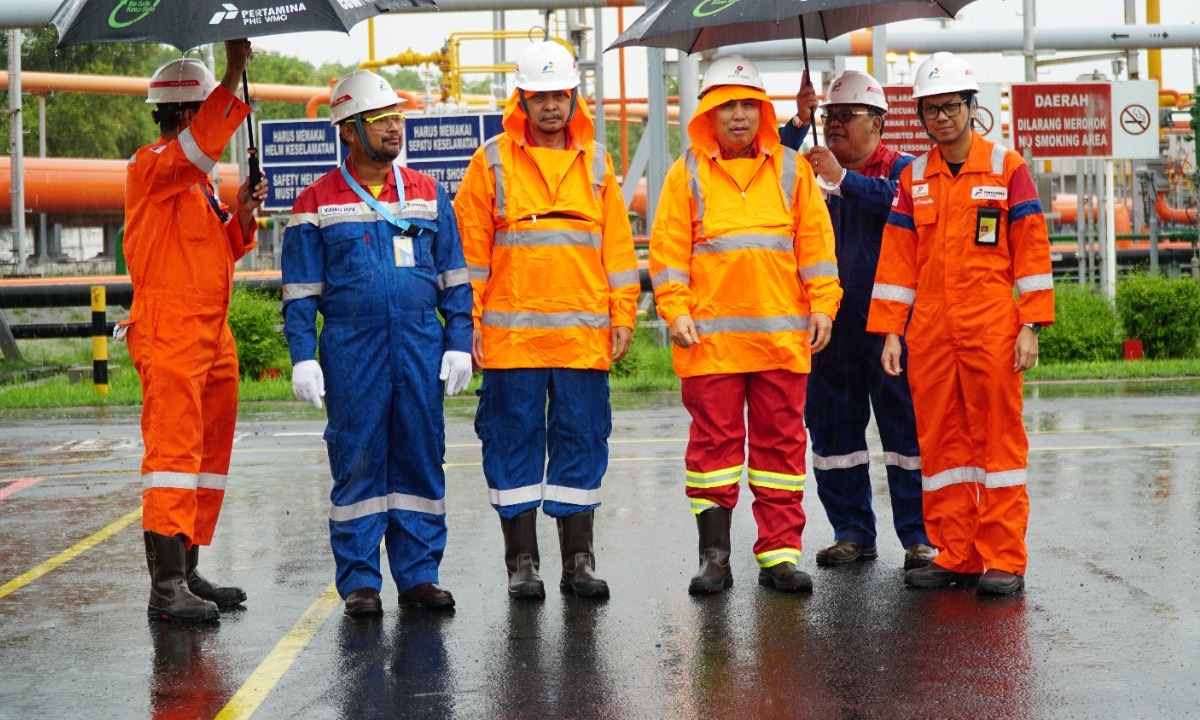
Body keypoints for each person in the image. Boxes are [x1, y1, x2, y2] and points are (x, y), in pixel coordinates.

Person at [649, 55, 842, 596]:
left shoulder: (791, 169)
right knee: (714, 451)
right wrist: (676, 309)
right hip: (709, 340)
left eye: (747, 105)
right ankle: (715, 558)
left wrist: (824, 305)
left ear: (762, 111)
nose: (738, 116)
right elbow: (668, 253)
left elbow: (816, 249)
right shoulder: (685, 171)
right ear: (707, 114)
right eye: (726, 105)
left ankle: (779, 555)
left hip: (782, 338)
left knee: (781, 450)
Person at [282, 69, 472, 616]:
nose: (395, 127)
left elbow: (454, 279)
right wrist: (303, 357)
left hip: (419, 347)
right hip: (352, 351)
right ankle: (361, 582)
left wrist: (458, 341)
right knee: (358, 459)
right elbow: (300, 294)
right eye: (381, 119)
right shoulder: (315, 203)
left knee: (420, 458)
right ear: (348, 130)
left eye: (397, 117)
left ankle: (419, 576)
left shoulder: (430, 194)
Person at [454, 40, 639, 601]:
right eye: (540, 96)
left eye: (560, 95)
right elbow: (470, 256)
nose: (551, 106)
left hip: (583, 338)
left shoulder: (600, 162)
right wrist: (470, 324)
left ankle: (578, 561)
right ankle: (523, 563)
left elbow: (618, 250)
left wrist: (624, 315)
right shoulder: (490, 162)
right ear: (522, 100)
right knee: (512, 443)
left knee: (581, 441)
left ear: (574, 98)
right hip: (513, 342)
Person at [868, 52, 1054, 596]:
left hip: (992, 324)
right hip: (929, 331)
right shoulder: (914, 177)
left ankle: (1003, 558)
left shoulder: (1006, 167)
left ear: (972, 107)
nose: (941, 117)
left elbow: (1032, 248)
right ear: (920, 115)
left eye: (950, 106)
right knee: (942, 445)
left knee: (997, 444)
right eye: (930, 109)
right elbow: (897, 259)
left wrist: (1031, 324)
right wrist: (890, 331)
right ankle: (957, 553)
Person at [123, 40, 266, 623]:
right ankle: (166, 587)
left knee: (207, 456)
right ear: (187, 112)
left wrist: (242, 215)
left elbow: (214, 257)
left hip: (211, 333)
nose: (217, 117)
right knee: (173, 457)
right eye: (209, 105)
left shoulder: (198, 187)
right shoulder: (152, 167)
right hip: (171, 332)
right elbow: (197, 150)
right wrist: (235, 72)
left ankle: (188, 564)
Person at [777, 70, 935, 571]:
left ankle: (919, 537)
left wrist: (843, 182)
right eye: (830, 115)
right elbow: (766, 169)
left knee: (906, 435)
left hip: (891, 325)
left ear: (879, 122)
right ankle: (851, 531)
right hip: (828, 325)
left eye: (847, 116)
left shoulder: (907, 170)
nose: (837, 124)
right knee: (832, 433)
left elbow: (902, 205)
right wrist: (799, 124)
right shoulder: (805, 173)